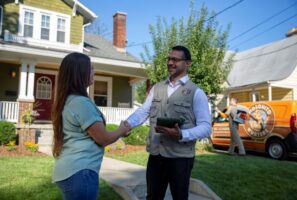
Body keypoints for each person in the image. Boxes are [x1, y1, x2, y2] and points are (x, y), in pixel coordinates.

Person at [126, 45, 211, 200]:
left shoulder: (197, 93)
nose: (170, 62)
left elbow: (206, 127)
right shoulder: (156, 88)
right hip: (156, 155)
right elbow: (143, 111)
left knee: (179, 197)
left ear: (188, 63)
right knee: (153, 197)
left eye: (175, 59)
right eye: (169, 59)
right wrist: (127, 124)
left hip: (180, 157)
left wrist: (182, 134)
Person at [51, 52, 130, 200]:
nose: (94, 71)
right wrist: (122, 129)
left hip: (71, 171)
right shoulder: (81, 103)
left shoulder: (69, 100)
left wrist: (120, 132)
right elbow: (103, 138)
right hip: (80, 173)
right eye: (91, 68)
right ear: (80, 73)